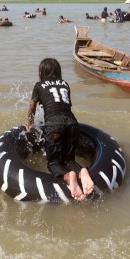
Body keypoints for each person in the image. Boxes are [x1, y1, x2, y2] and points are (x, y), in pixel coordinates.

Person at [25, 58, 94, 201]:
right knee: (69, 159)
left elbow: (32, 106)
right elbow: (64, 106)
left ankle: (68, 177)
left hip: (54, 126)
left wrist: (30, 125)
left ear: (41, 73)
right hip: (72, 124)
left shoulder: (39, 85)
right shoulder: (65, 84)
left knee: (53, 163)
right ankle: (82, 171)